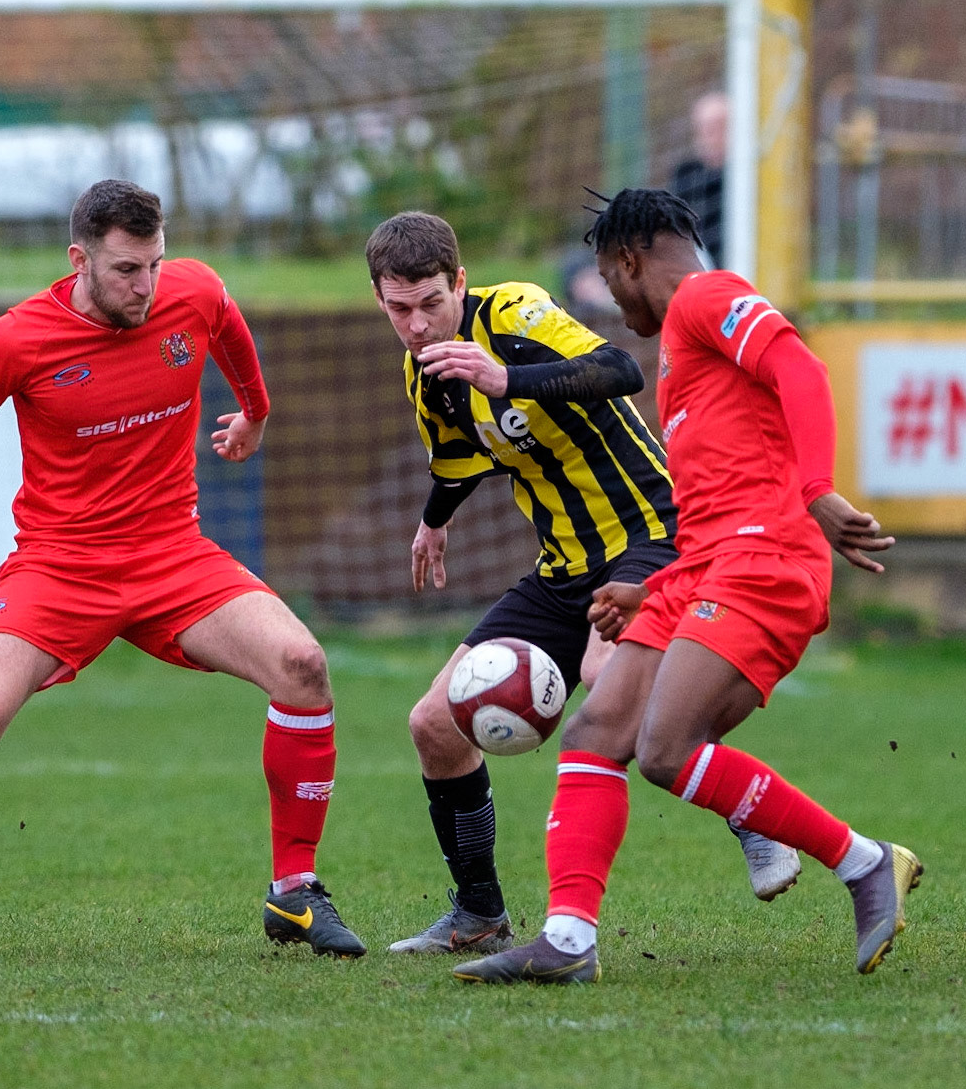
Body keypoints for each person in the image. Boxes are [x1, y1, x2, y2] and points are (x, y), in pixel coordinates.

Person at [0, 179, 364, 958]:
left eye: (154, 264)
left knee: (303, 664)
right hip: (58, 569)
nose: (145, 287)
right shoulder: (18, 339)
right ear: (79, 259)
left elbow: (230, 329)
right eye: (124, 271)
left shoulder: (192, 291)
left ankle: (295, 893)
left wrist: (255, 413)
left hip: (171, 554)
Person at [452, 189, 917, 986]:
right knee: (596, 732)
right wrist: (655, 586)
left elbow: (799, 368)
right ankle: (567, 940)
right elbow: (718, 492)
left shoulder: (708, 297)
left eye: (604, 278)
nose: (606, 298)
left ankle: (864, 862)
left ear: (630, 260)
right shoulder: (676, 360)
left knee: (665, 751)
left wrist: (818, 491)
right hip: (703, 568)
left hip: (763, 562)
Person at [366, 212, 799, 958]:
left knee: (609, 678)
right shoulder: (425, 375)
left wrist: (507, 376)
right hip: (563, 567)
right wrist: (433, 521)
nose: (415, 324)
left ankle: (749, 814)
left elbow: (619, 370)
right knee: (433, 724)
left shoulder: (515, 312)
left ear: (459, 283)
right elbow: (459, 459)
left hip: (651, 535)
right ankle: (479, 914)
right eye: (397, 308)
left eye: (430, 303)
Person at [669, 91, 729, 267]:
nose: (708, 135)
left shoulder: (748, 176)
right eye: (702, 127)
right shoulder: (686, 174)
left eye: (717, 127)